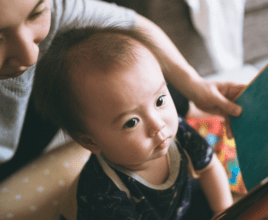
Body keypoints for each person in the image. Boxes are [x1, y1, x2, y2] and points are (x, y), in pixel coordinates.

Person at [0, 0, 244, 183]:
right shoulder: (106, 191)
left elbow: (134, 25)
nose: (29, 56)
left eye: (37, 14)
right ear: (88, 141)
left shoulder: (55, 6)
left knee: (133, 87)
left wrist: (196, 87)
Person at [32, 25, 233, 219]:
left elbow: (208, 166)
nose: (157, 125)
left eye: (160, 101)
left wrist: (222, 210)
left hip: (178, 203)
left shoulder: (177, 129)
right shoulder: (105, 195)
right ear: (90, 142)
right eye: (131, 122)